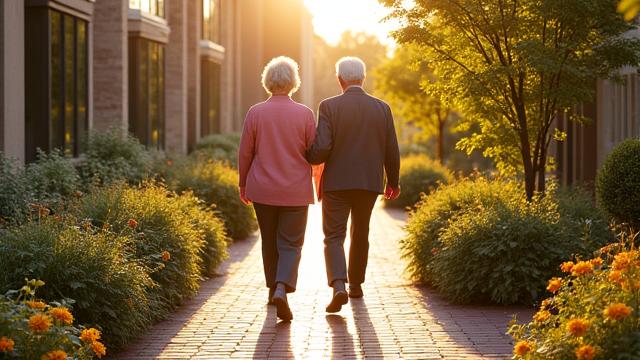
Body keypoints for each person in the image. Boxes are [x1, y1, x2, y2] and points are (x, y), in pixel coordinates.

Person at [306, 56, 401, 313]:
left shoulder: (328, 106)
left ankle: (338, 285)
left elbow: (323, 147)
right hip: (369, 182)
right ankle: (356, 285)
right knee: (361, 232)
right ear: (363, 78)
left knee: (333, 236)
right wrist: (393, 181)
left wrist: (309, 156)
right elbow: (391, 148)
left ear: (340, 80)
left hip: (337, 183)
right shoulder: (382, 108)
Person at [238, 56, 316, 321]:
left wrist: (243, 182)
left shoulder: (255, 112)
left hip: (262, 189)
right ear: (293, 82)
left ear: (268, 81)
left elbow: (245, 152)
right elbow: (313, 152)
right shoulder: (305, 114)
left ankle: (273, 289)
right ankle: (282, 287)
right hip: (295, 190)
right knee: (291, 244)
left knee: (269, 242)